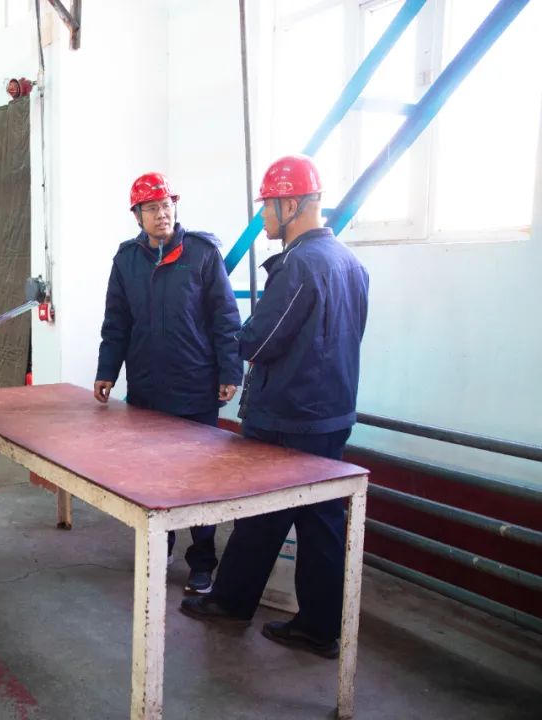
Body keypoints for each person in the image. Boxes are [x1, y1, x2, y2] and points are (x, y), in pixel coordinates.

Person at [180, 155, 369, 660]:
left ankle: (238, 604)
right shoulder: (350, 263)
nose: (263, 215)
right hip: (331, 414)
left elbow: (258, 343)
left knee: (265, 515)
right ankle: (310, 624)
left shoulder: (299, 266)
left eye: (267, 205)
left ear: (291, 204)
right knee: (313, 521)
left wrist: (232, 334)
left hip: (289, 416)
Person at [94, 172, 243, 594]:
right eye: (152, 208)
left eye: (167, 206)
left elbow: (225, 317)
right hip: (147, 390)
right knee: (152, 476)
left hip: (195, 387)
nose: (162, 214)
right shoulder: (126, 261)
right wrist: (107, 370)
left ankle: (203, 562)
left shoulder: (202, 254)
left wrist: (230, 371)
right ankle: (160, 548)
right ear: (137, 216)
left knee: (199, 480)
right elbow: (116, 322)